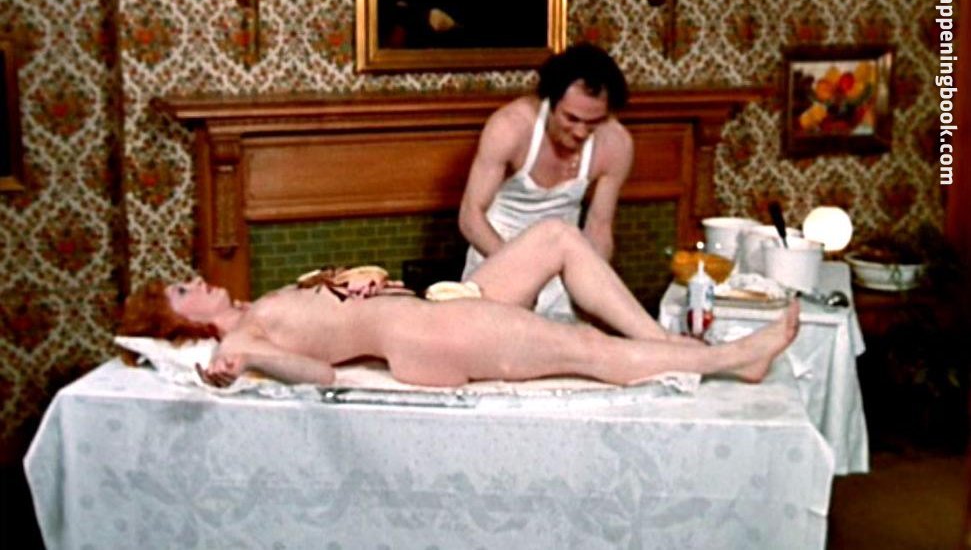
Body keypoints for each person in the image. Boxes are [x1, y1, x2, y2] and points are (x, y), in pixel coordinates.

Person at [120, 219, 800, 389]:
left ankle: (663, 341)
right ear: (181, 322)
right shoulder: (239, 340)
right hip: (428, 334)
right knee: (585, 348)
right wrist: (238, 365)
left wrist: (354, 281)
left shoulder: (255, 310)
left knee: (556, 238)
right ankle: (732, 359)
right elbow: (320, 373)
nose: (195, 281)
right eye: (181, 290)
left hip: (429, 304)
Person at [458, 43, 633, 322]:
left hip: (564, 263)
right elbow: (470, 217)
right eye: (571, 118)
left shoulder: (616, 143)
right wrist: (520, 272)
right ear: (550, 101)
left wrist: (593, 292)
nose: (580, 132)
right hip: (497, 252)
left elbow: (599, 228)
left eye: (593, 122)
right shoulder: (510, 127)